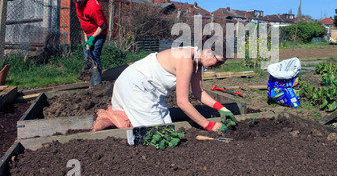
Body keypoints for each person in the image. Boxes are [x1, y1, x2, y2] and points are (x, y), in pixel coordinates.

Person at [92, 35, 237, 132]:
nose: (217, 66)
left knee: (166, 126)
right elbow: (182, 102)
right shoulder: (186, 59)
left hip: (150, 91)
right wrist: (209, 125)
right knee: (158, 132)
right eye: (218, 61)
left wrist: (221, 108)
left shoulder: (197, 62)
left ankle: (119, 117)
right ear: (208, 51)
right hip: (136, 87)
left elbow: (198, 92)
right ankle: (109, 117)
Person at [69, 0, 108, 87]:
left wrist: (92, 39)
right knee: (87, 58)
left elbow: (102, 26)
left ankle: (97, 85)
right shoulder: (77, 3)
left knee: (94, 57)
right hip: (87, 33)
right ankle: (90, 84)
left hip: (99, 33)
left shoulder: (94, 7)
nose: (77, 0)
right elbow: (80, 15)